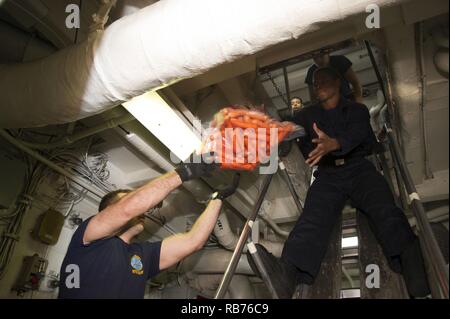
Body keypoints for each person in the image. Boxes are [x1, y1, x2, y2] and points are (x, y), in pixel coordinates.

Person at [249, 67, 430, 299]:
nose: (319, 85)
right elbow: (287, 127)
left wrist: (335, 143)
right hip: (328, 174)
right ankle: (288, 273)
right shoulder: (307, 115)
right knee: (312, 219)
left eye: (324, 79)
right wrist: (265, 121)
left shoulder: (357, 110)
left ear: (337, 81)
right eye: (315, 83)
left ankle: (413, 268)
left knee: (385, 209)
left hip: (359, 168)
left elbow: (358, 133)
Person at [58, 155, 235, 299]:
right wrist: (185, 171)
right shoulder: (88, 240)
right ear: (108, 211)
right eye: (125, 201)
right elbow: (128, 208)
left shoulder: (143, 254)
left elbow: (192, 241)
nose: (144, 210)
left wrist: (217, 199)